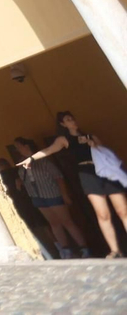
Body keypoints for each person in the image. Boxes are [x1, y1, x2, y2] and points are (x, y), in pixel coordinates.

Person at [20, 111, 127, 258]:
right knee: (103, 214)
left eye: (73, 118)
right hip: (87, 174)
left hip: (105, 172)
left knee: (123, 211)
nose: (73, 121)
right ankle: (115, 251)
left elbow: (106, 155)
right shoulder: (64, 139)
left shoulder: (91, 136)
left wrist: (93, 145)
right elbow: (49, 150)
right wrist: (31, 158)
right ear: (63, 124)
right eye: (68, 120)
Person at [13, 137, 88, 258]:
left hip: (51, 194)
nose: (17, 150)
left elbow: (59, 177)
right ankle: (66, 250)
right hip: (37, 196)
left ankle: (84, 249)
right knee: (54, 223)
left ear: (26, 146)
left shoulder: (43, 160)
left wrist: (64, 195)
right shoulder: (21, 164)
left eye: (19, 146)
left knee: (67, 221)